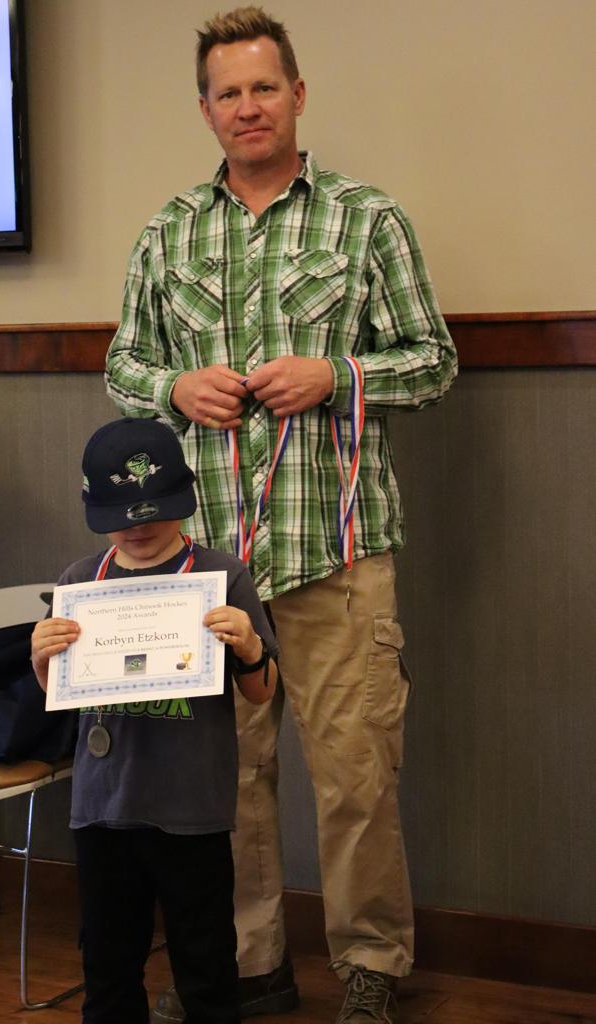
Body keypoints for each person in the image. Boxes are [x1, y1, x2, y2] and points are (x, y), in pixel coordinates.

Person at [105, 8, 458, 1022]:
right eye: (227, 92)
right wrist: (173, 389)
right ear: (205, 109)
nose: (247, 106)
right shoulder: (167, 232)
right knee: (224, 784)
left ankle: (370, 965)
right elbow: (122, 363)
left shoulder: (366, 219)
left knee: (354, 778)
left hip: (334, 554)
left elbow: (433, 361)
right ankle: (245, 966)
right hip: (208, 568)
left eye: (264, 87)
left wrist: (336, 375)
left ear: (296, 95)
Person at [31, 417, 279, 1024]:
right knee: (108, 966)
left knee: (207, 963)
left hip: (192, 808)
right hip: (103, 807)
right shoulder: (79, 581)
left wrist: (250, 646)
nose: (139, 528)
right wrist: (41, 659)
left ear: (183, 498)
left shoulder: (223, 576)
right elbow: (65, 693)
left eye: (154, 512)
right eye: (122, 516)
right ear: (94, 508)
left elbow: (262, 692)